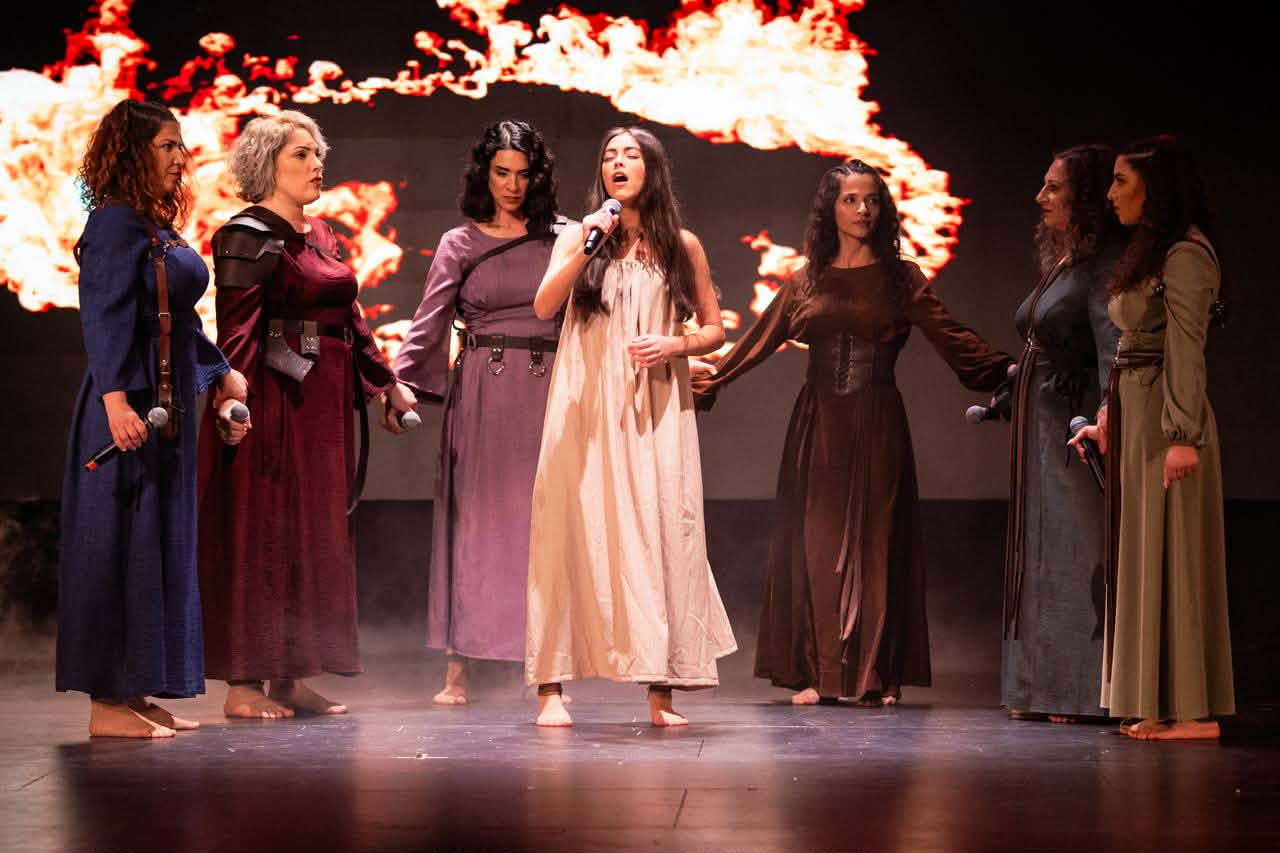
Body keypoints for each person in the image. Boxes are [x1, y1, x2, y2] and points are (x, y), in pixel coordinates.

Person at [693, 160, 1012, 706]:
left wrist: (1007, 370)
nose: (863, 209)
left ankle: (874, 674)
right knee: (815, 547)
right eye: (851, 200)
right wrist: (712, 377)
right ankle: (821, 672)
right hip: (818, 426)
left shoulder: (901, 278)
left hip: (877, 421)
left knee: (875, 546)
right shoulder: (807, 279)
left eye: (871, 200)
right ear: (831, 210)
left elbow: (951, 335)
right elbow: (758, 340)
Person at [198, 111, 417, 720]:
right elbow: (236, 331)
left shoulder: (319, 232)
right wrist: (231, 401)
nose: (317, 164)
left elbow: (352, 320)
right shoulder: (245, 234)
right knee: (263, 531)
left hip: (322, 405)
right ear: (266, 164)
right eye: (300, 154)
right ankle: (244, 683)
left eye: (317, 153)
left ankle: (290, 676)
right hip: (271, 401)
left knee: (309, 537)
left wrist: (384, 384)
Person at [525, 126, 737, 727]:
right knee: (570, 528)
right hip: (586, 402)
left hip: (655, 404)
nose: (618, 163)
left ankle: (659, 692)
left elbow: (714, 330)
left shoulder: (681, 246)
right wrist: (588, 244)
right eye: (609, 156)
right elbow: (544, 306)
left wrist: (674, 344)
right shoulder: (580, 235)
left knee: (659, 528)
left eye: (631, 156)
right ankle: (550, 687)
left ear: (653, 170)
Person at [57, 99, 248, 738]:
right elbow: (103, 316)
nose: (179, 158)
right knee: (117, 547)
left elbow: (177, 321)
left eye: (180, 146)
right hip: (129, 406)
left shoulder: (151, 226)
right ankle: (106, 704)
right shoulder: (114, 223)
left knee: (153, 547)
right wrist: (115, 402)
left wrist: (222, 373)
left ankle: (135, 691)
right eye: (167, 146)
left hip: (164, 407)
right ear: (134, 154)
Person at [1070, 136, 1234, 740]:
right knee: (1147, 558)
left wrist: (1182, 434)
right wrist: (1109, 417)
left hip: (1168, 418)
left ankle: (1194, 714)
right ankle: (1158, 702)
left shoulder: (1187, 256)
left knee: (1178, 554)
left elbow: (1186, 350)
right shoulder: (1152, 251)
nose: (1111, 193)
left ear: (1154, 188)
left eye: (1121, 181)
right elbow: (1130, 349)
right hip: (1138, 417)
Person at [393, 120, 562, 705]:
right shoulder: (460, 242)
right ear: (483, 174)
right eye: (501, 173)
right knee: (477, 524)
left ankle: (550, 662)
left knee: (545, 526)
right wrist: (399, 383)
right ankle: (460, 666)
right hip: (485, 395)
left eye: (523, 174)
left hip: (551, 391)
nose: (512, 185)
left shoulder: (564, 238)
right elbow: (430, 320)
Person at [1002, 145, 1122, 723]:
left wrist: (1107, 414)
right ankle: (1038, 686)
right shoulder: (1066, 261)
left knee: (1076, 548)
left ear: (1085, 195)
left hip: (1073, 421)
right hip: (1041, 420)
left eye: (1053, 187)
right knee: (1043, 549)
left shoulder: (1102, 267)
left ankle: (1076, 690)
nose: (1040, 197)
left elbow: (1112, 345)